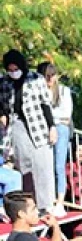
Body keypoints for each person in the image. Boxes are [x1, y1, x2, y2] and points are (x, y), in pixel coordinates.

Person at [1, 50, 57, 208]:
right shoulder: (4, 82)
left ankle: (45, 205)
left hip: (38, 126)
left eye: (15, 69)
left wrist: (52, 127)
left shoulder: (35, 79)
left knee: (42, 167)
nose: (13, 73)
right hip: (16, 125)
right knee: (23, 168)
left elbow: (45, 104)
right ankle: (27, 205)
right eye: (10, 70)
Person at [36, 63, 71, 206]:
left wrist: (52, 120)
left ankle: (60, 201)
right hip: (43, 129)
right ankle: (47, 198)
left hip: (61, 128)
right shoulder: (38, 92)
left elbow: (66, 115)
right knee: (45, 165)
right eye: (47, 76)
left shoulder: (64, 91)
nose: (50, 79)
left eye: (52, 75)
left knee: (59, 166)